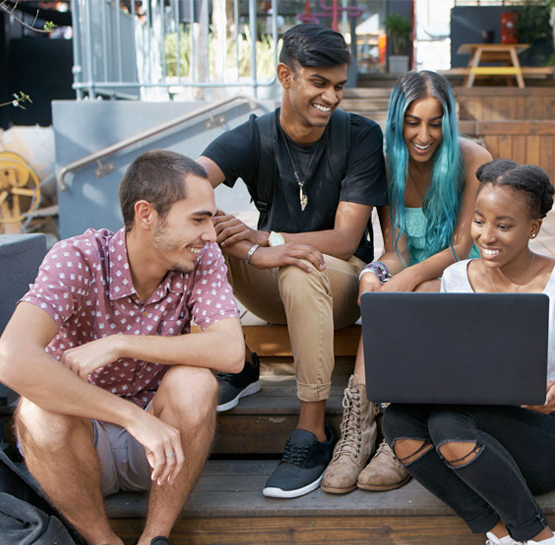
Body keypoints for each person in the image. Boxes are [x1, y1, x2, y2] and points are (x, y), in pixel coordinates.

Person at [0, 150, 246, 545]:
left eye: (210, 219)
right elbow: (9, 360)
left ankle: (154, 538)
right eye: (198, 219)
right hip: (80, 449)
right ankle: (102, 540)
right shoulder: (78, 258)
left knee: (197, 384)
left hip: (163, 449)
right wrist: (131, 417)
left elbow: (231, 351)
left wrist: (121, 343)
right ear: (146, 215)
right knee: (36, 410)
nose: (210, 235)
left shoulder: (201, 257)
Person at [197, 23, 388, 498]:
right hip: (269, 281)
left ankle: (312, 432)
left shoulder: (360, 137)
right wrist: (245, 246)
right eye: (318, 83)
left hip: (337, 282)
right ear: (286, 75)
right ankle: (238, 362)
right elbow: (184, 185)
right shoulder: (255, 135)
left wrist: (266, 240)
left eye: (339, 86)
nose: (331, 97)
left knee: (302, 269)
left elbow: (345, 239)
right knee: (198, 236)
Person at [383, 159, 555, 545]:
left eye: (504, 225)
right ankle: (500, 533)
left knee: (449, 424)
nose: (487, 235)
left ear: (534, 228)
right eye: (479, 221)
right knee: (398, 422)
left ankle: (541, 537)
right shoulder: (455, 277)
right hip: (471, 435)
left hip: (544, 439)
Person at [320, 70, 493, 495]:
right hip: (412, 286)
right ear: (398, 120)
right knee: (384, 300)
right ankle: (356, 436)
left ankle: (401, 438)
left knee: (409, 298)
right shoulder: (389, 165)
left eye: (436, 123)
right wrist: (372, 276)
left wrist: (407, 280)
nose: (424, 134)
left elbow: (460, 248)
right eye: (413, 122)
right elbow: (395, 251)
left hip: (465, 280)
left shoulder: (474, 161)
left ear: (449, 122)